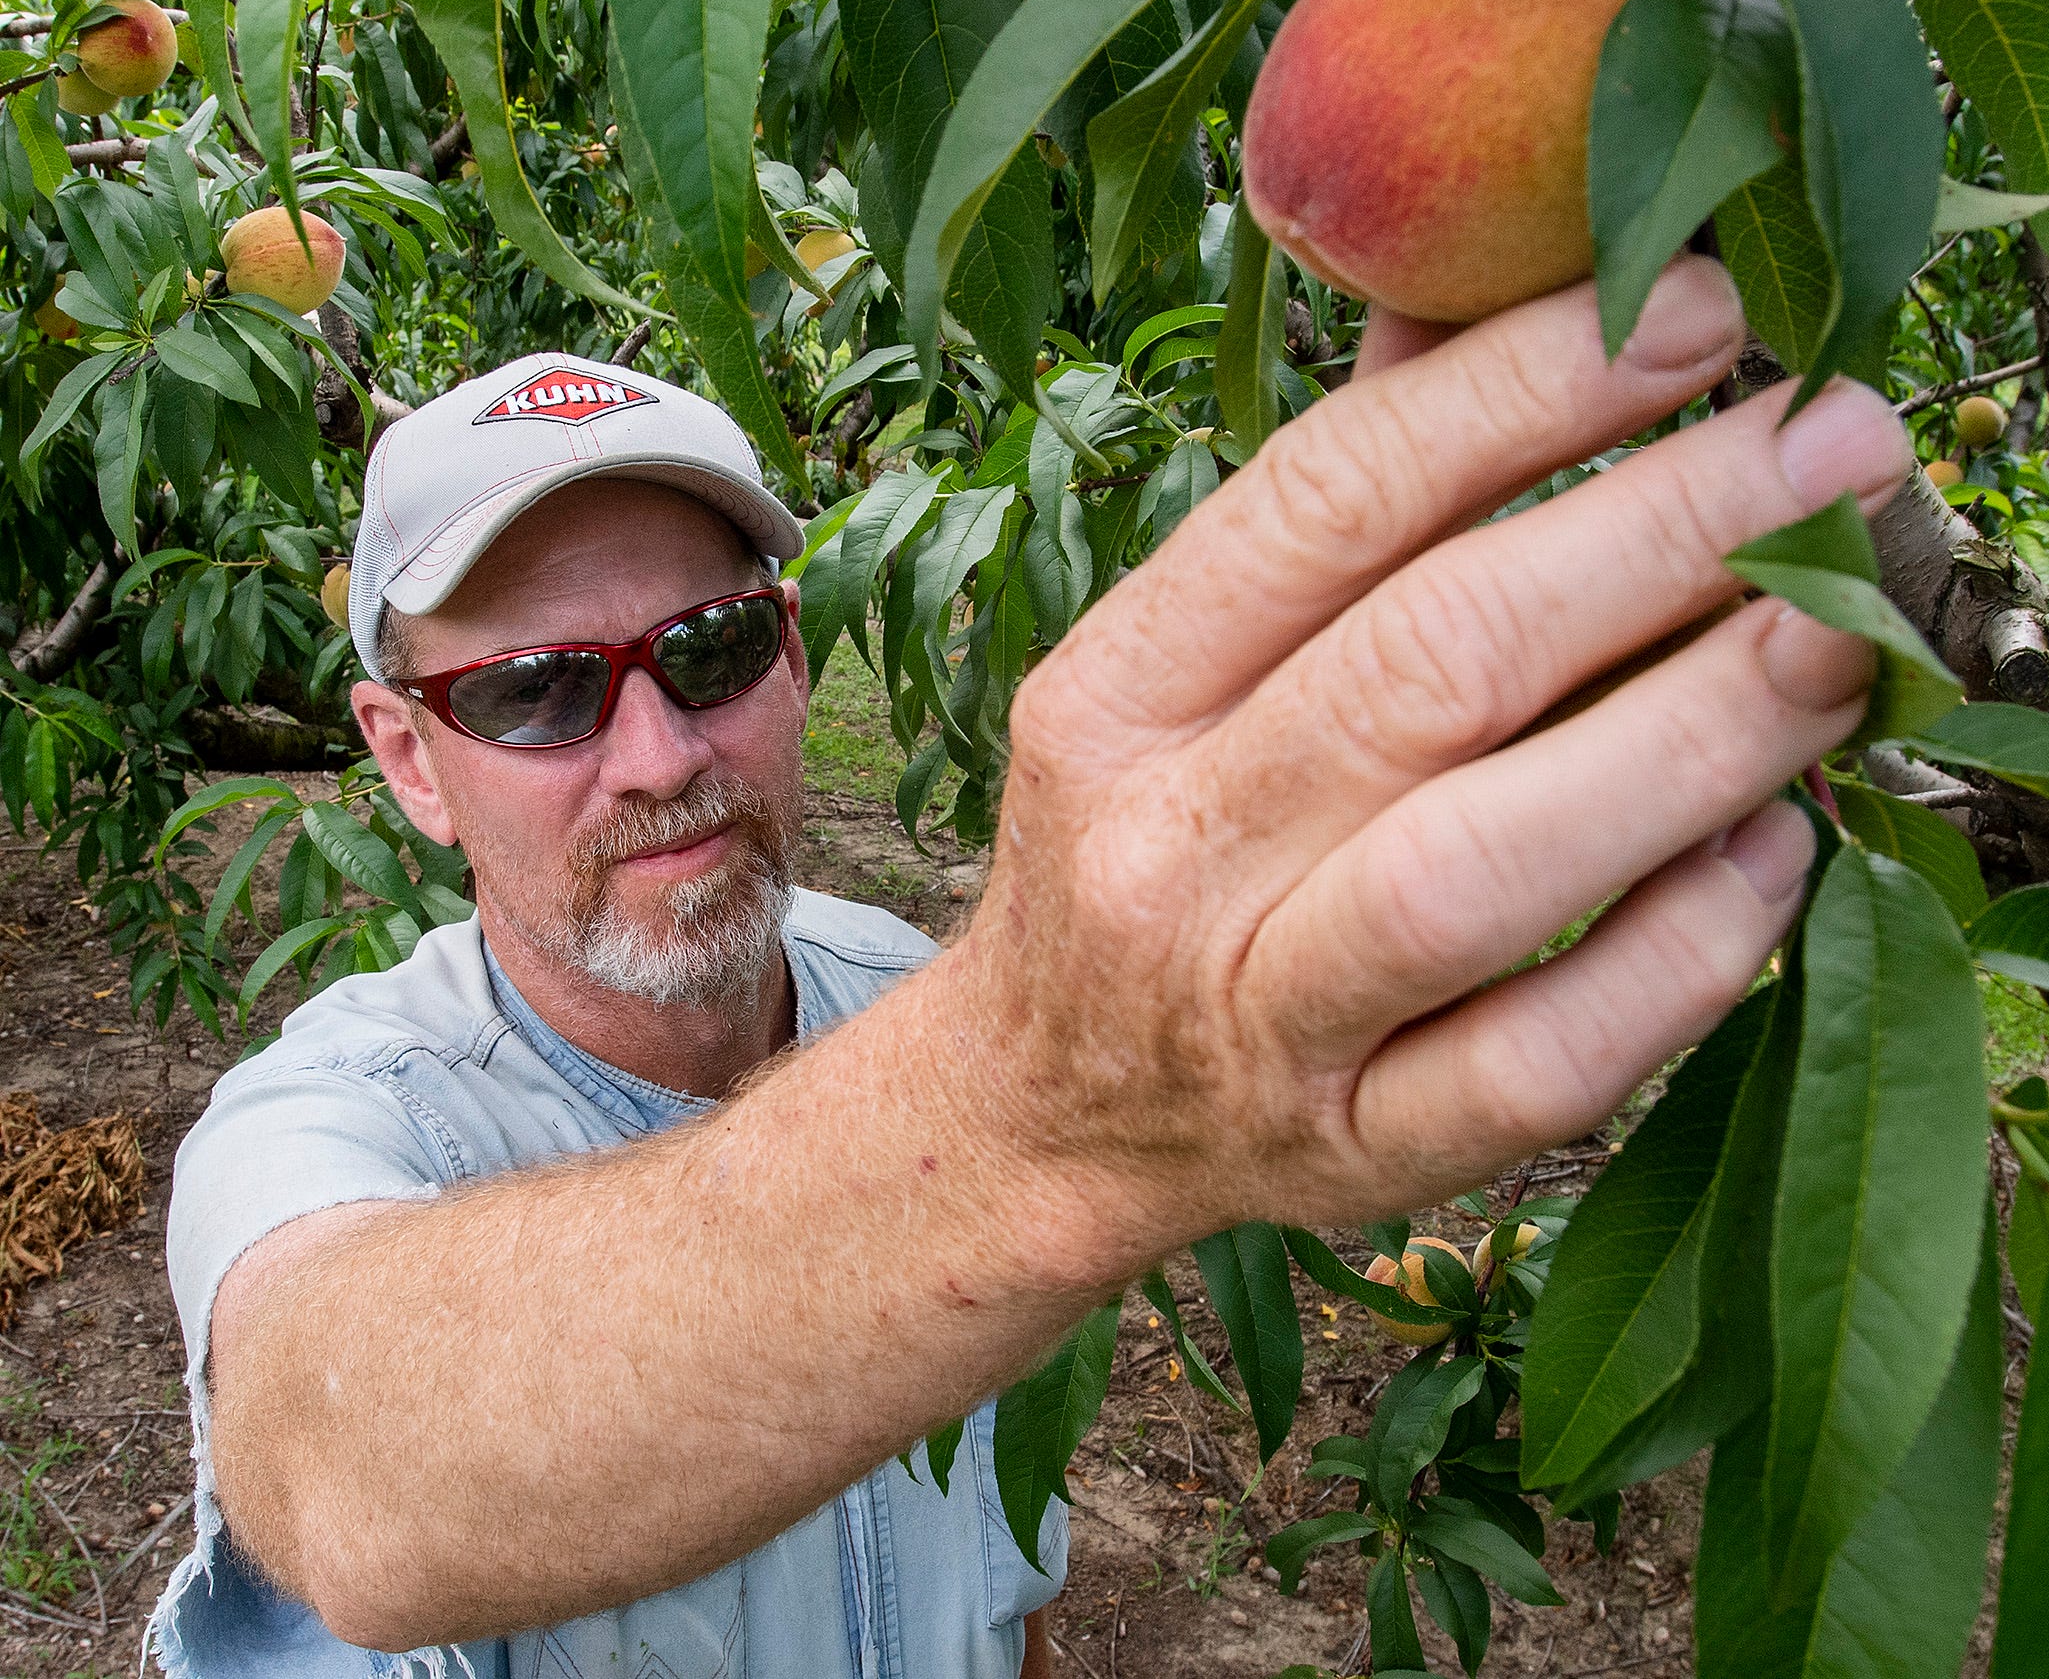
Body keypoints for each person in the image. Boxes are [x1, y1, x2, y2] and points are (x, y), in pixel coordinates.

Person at [153, 257, 1905, 1675]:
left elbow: (996, 1545)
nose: (656, 752)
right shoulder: (334, 1117)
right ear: (402, 759)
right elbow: (350, 1469)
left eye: (709, 646)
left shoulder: (900, 982)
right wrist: (1042, 1110)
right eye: (536, 691)